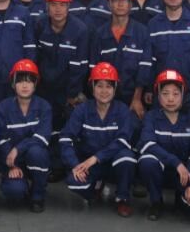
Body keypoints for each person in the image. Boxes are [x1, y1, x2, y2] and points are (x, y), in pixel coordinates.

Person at [59, 62, 137, 217]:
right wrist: (75, 165)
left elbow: (123, 141)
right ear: (92, 87)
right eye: (99, 86)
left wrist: (96, 158)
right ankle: (94, 189)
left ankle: (122, 198)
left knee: (127, 158)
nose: (104, 91)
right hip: (90, 166)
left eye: (109, 86)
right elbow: (65, 138)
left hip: (113, 164)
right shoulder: (82, 110)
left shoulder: (123, 110)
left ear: (115, 88)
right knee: (74, 182)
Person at [32, 0, 91, 176]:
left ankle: (66, 166)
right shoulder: (39, 25)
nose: (58, 9)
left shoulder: (80, 30)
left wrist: (72, 94)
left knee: (67, 128)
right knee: (46, 126)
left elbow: (80, 65)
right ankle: (48, 165)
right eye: (53, 4)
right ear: (46, 5)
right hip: (44, 88)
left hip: (68, 90)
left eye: (62, 4)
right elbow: (35, 57)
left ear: (69, 6)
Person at [137, 69, 190, 221]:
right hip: (160, 172)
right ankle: (156, 201)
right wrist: (176, 163)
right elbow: (147, 144)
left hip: (183, 176)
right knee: (147, 161)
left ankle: (180, 196)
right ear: (158, 96)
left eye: (176, 94)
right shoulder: (151, 117)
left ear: (183, 96)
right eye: (165, 93)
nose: (170, 99)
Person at [0, 59, 52, 212]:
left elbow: (42, 138)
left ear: (35, 84)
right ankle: (23, 187)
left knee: (37, 152)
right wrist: (11, 165)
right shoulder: (4, 107)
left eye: (29, 81)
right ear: (13, 84)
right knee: (14, 191)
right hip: (13, 160)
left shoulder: (44, 107)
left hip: (34, 157)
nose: (25, 85)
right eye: (20, 81)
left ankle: (38, 195)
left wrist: (18, 149)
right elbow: (1, 139)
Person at [95, 0, 150, 119]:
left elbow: (144, 67)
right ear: (109, 4)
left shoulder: (142, 32)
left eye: (124, 0)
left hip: (133, 98)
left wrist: (137, 98)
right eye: (115, 0)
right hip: (105, 98)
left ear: (130, 4)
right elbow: (94, 68)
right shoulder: (100, 34)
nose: (120, 4)